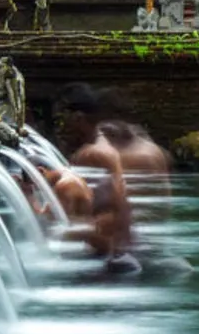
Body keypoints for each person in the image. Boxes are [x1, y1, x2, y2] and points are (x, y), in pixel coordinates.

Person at [53, 83, 138, 273]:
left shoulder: (92, 155)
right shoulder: (101, 147)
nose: (60, 129)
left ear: (78, 118)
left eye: (61, 120)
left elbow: (115, 208)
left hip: (106, 258)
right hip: (111, 252)